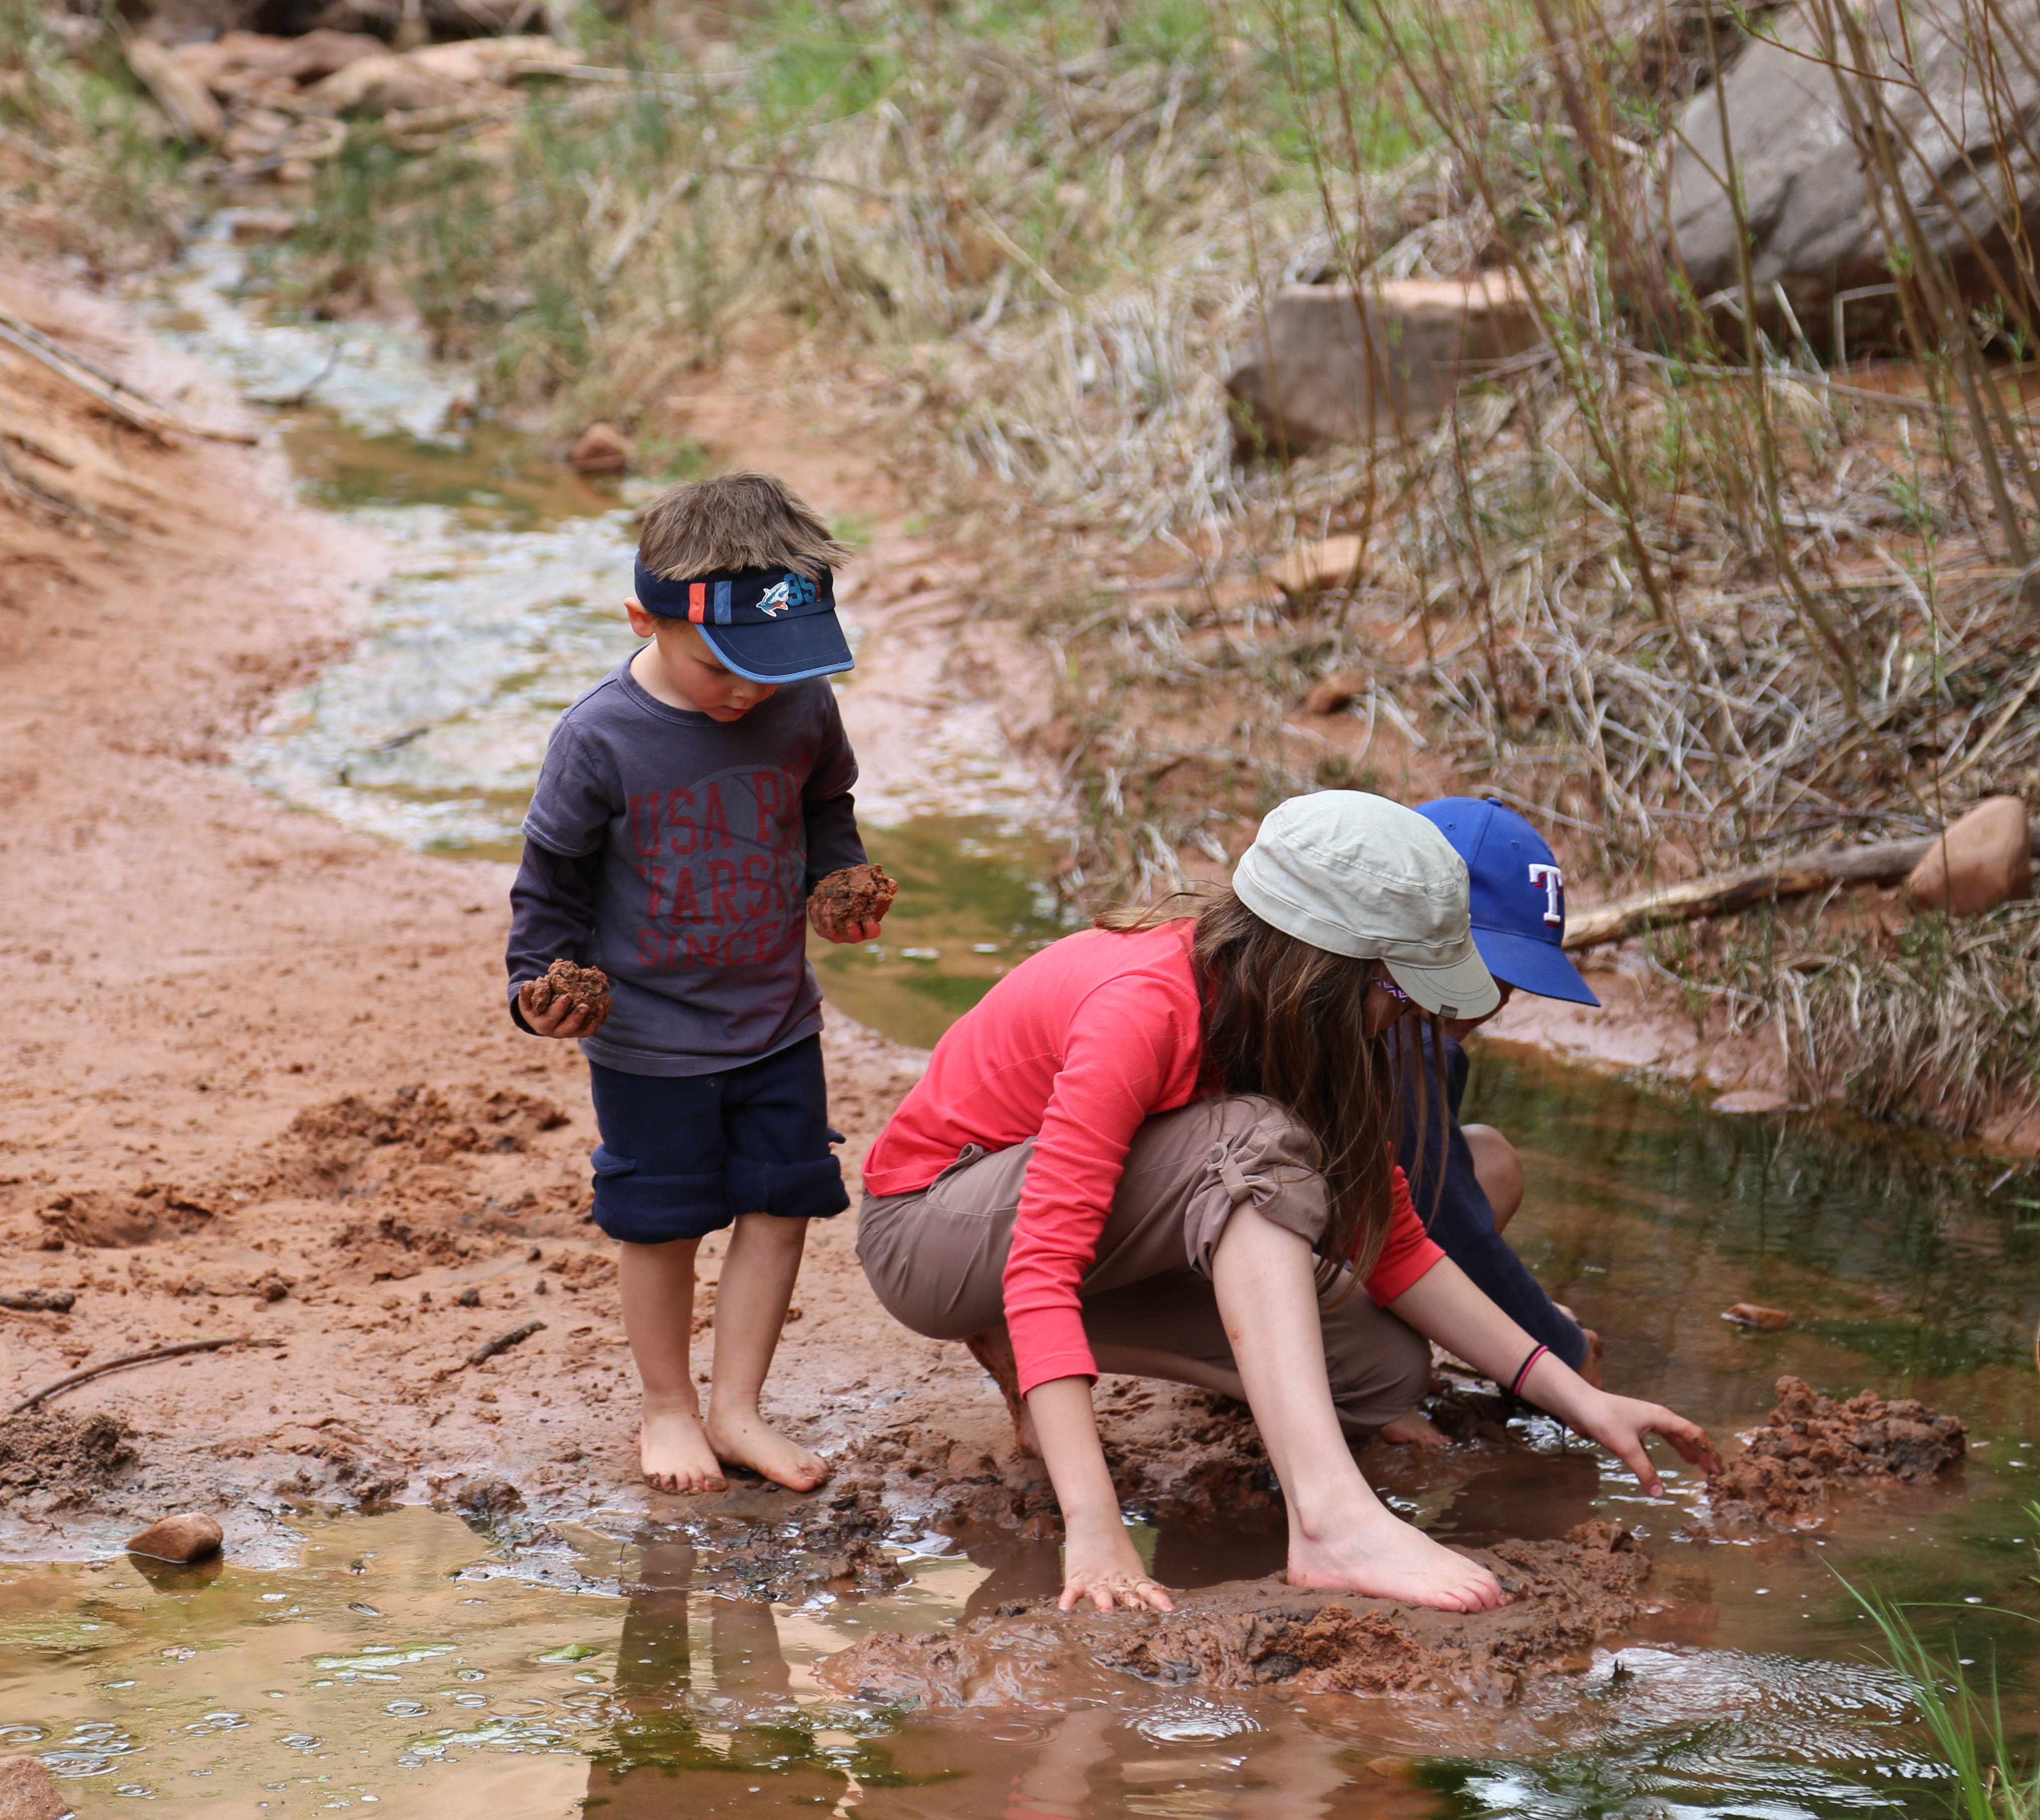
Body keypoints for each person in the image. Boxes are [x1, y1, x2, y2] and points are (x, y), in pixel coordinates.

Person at [856, 790, 1717, 1615]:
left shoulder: (1307, 1027)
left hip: (1066, 1244)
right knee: (1252, 1137)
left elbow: (1400, 1244)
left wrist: (1579, 1398)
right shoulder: (1145, 1005)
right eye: (1404, 990)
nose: (1410, 1017)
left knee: (1385, 1371)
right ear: (1325, 967)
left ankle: (1042, 1355)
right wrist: (1098, 1530)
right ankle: (1330, 1521)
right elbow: (1043, 1264)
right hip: (936, 1230)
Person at [505, 471, 895, 1496]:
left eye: (775, 667)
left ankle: (738, 1407)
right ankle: (670, 1408)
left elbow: (826, 804)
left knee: (782, 1204)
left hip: (776, 1020)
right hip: (650, 1038)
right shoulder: (600, 738)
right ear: (646, 617)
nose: (750, 690)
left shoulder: (800, 703)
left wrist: (837, 879)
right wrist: (536, 983)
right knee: (662, 1216)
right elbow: (553, 881)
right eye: (722, 662)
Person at [1377, 797, 1602, 1447]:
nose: (1498, 999)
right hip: (1232, 1264)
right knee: (1393, 1368)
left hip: (1305, 1233)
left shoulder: (1408, 1017)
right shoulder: (1400, 1028)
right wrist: (1562, 1354)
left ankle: (1357, 1349)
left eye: (1512, 979)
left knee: (1490, 1159)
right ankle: (1349, 1374)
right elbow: (1453, 1229)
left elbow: (1424, 1200)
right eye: (1488, 966)